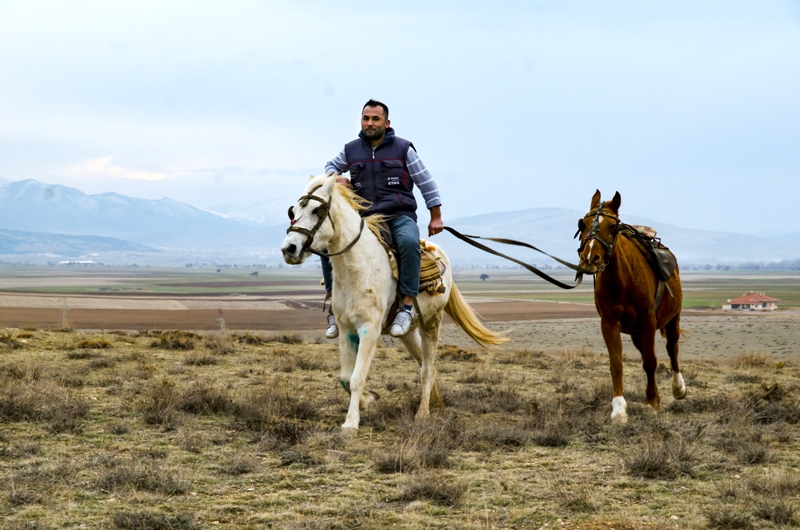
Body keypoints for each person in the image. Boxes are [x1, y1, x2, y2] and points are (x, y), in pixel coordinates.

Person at [322, 99, 444, 339]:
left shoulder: (403, 149)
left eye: (375, 119)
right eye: (366, 118)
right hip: (365, 219)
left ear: (386, 123)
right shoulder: (351, 149)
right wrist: (335, 177)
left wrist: (436, 217)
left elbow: (426, 182)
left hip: (399, 215)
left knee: (408, 243)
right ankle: (334, 308)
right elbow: (330, 166)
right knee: (330, 246)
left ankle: (406, 307)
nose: (370, 123)